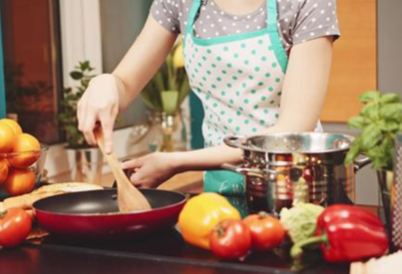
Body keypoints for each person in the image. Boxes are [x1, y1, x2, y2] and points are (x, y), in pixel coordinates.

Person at [77, 0, 339, 200]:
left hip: (296, 190)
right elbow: (124, 84)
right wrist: (106, 83)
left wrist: (176, 162)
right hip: (220, 194)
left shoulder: (306, 2)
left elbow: (292, 131)